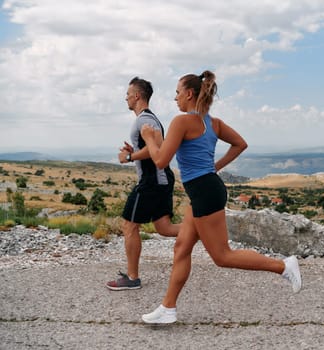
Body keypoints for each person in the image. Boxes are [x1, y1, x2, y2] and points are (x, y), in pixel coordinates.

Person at [139, 70, 301, 324]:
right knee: (181, 247)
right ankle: (168, 308)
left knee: (222, 256)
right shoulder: (213, 123)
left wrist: (149, 137)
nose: (175, 99)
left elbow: (160, 161)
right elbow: (240, 144)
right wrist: (216, 166)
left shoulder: (182, 121)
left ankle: (283, 266)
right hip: (206, 188)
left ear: (189, 94)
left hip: (204, 192)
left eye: (178, 93)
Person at [106, 77, 180, 291]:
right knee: (164, 228)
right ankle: (203, 231)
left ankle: (132, 278)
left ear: (137, 95)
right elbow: (151, 147)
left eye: (128, 94)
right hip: (160, 179)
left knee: (129, 225)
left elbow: (158, 146)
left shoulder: (144, 120)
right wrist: (135, 152)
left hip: (152, 182)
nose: (126, 98)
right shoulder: (147, 119)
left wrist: (130, 158)